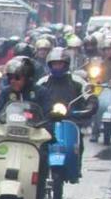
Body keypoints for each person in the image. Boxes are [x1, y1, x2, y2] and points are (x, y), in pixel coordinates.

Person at [0, 57, 53, 199]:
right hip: (7, 138)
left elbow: (48, 115)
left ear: (27, 78)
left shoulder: (41, 93)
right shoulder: (6, 92)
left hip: (33, 141)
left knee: (43, 159)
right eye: (10, 77)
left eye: (17, 78)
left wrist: (46, 126)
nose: (13, 81)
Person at [37, 48, 96, 177]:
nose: (57, 67)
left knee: (78, 139)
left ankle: (76, 165)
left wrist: (91, 105)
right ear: (50, 65)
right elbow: (33, 98)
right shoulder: (42, 82)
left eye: (60, 64)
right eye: (54, 64)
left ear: (66, 64)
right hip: (48, 120)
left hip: (71, 119)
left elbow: (88, 95)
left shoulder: (77, 81)